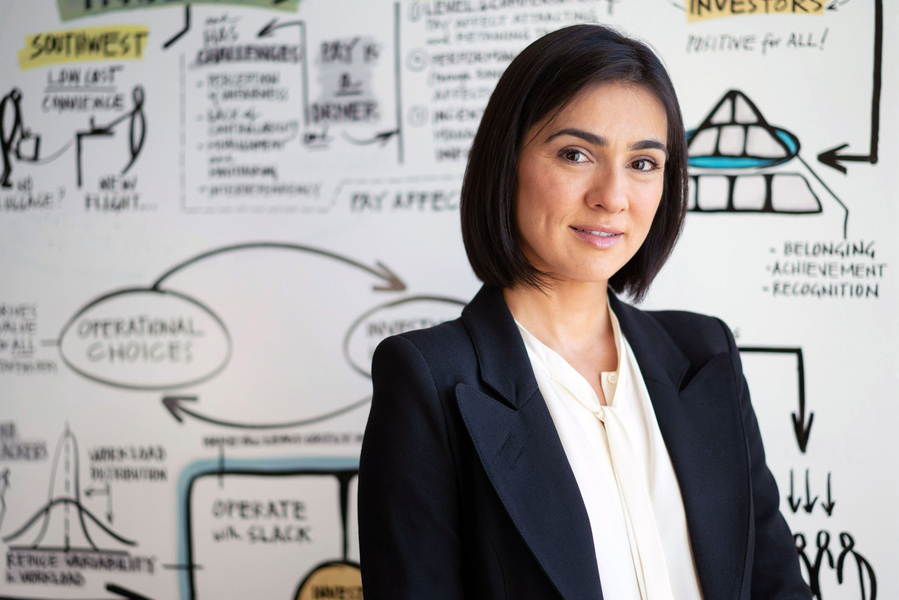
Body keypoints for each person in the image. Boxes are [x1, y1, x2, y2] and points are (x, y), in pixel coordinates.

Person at [357, 24, 812, 600]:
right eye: (575, 154)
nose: (613, 197)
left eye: (643, 163)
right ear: (507, 162)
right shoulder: (429, 380)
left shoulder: (706, 354)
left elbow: (776, 585)